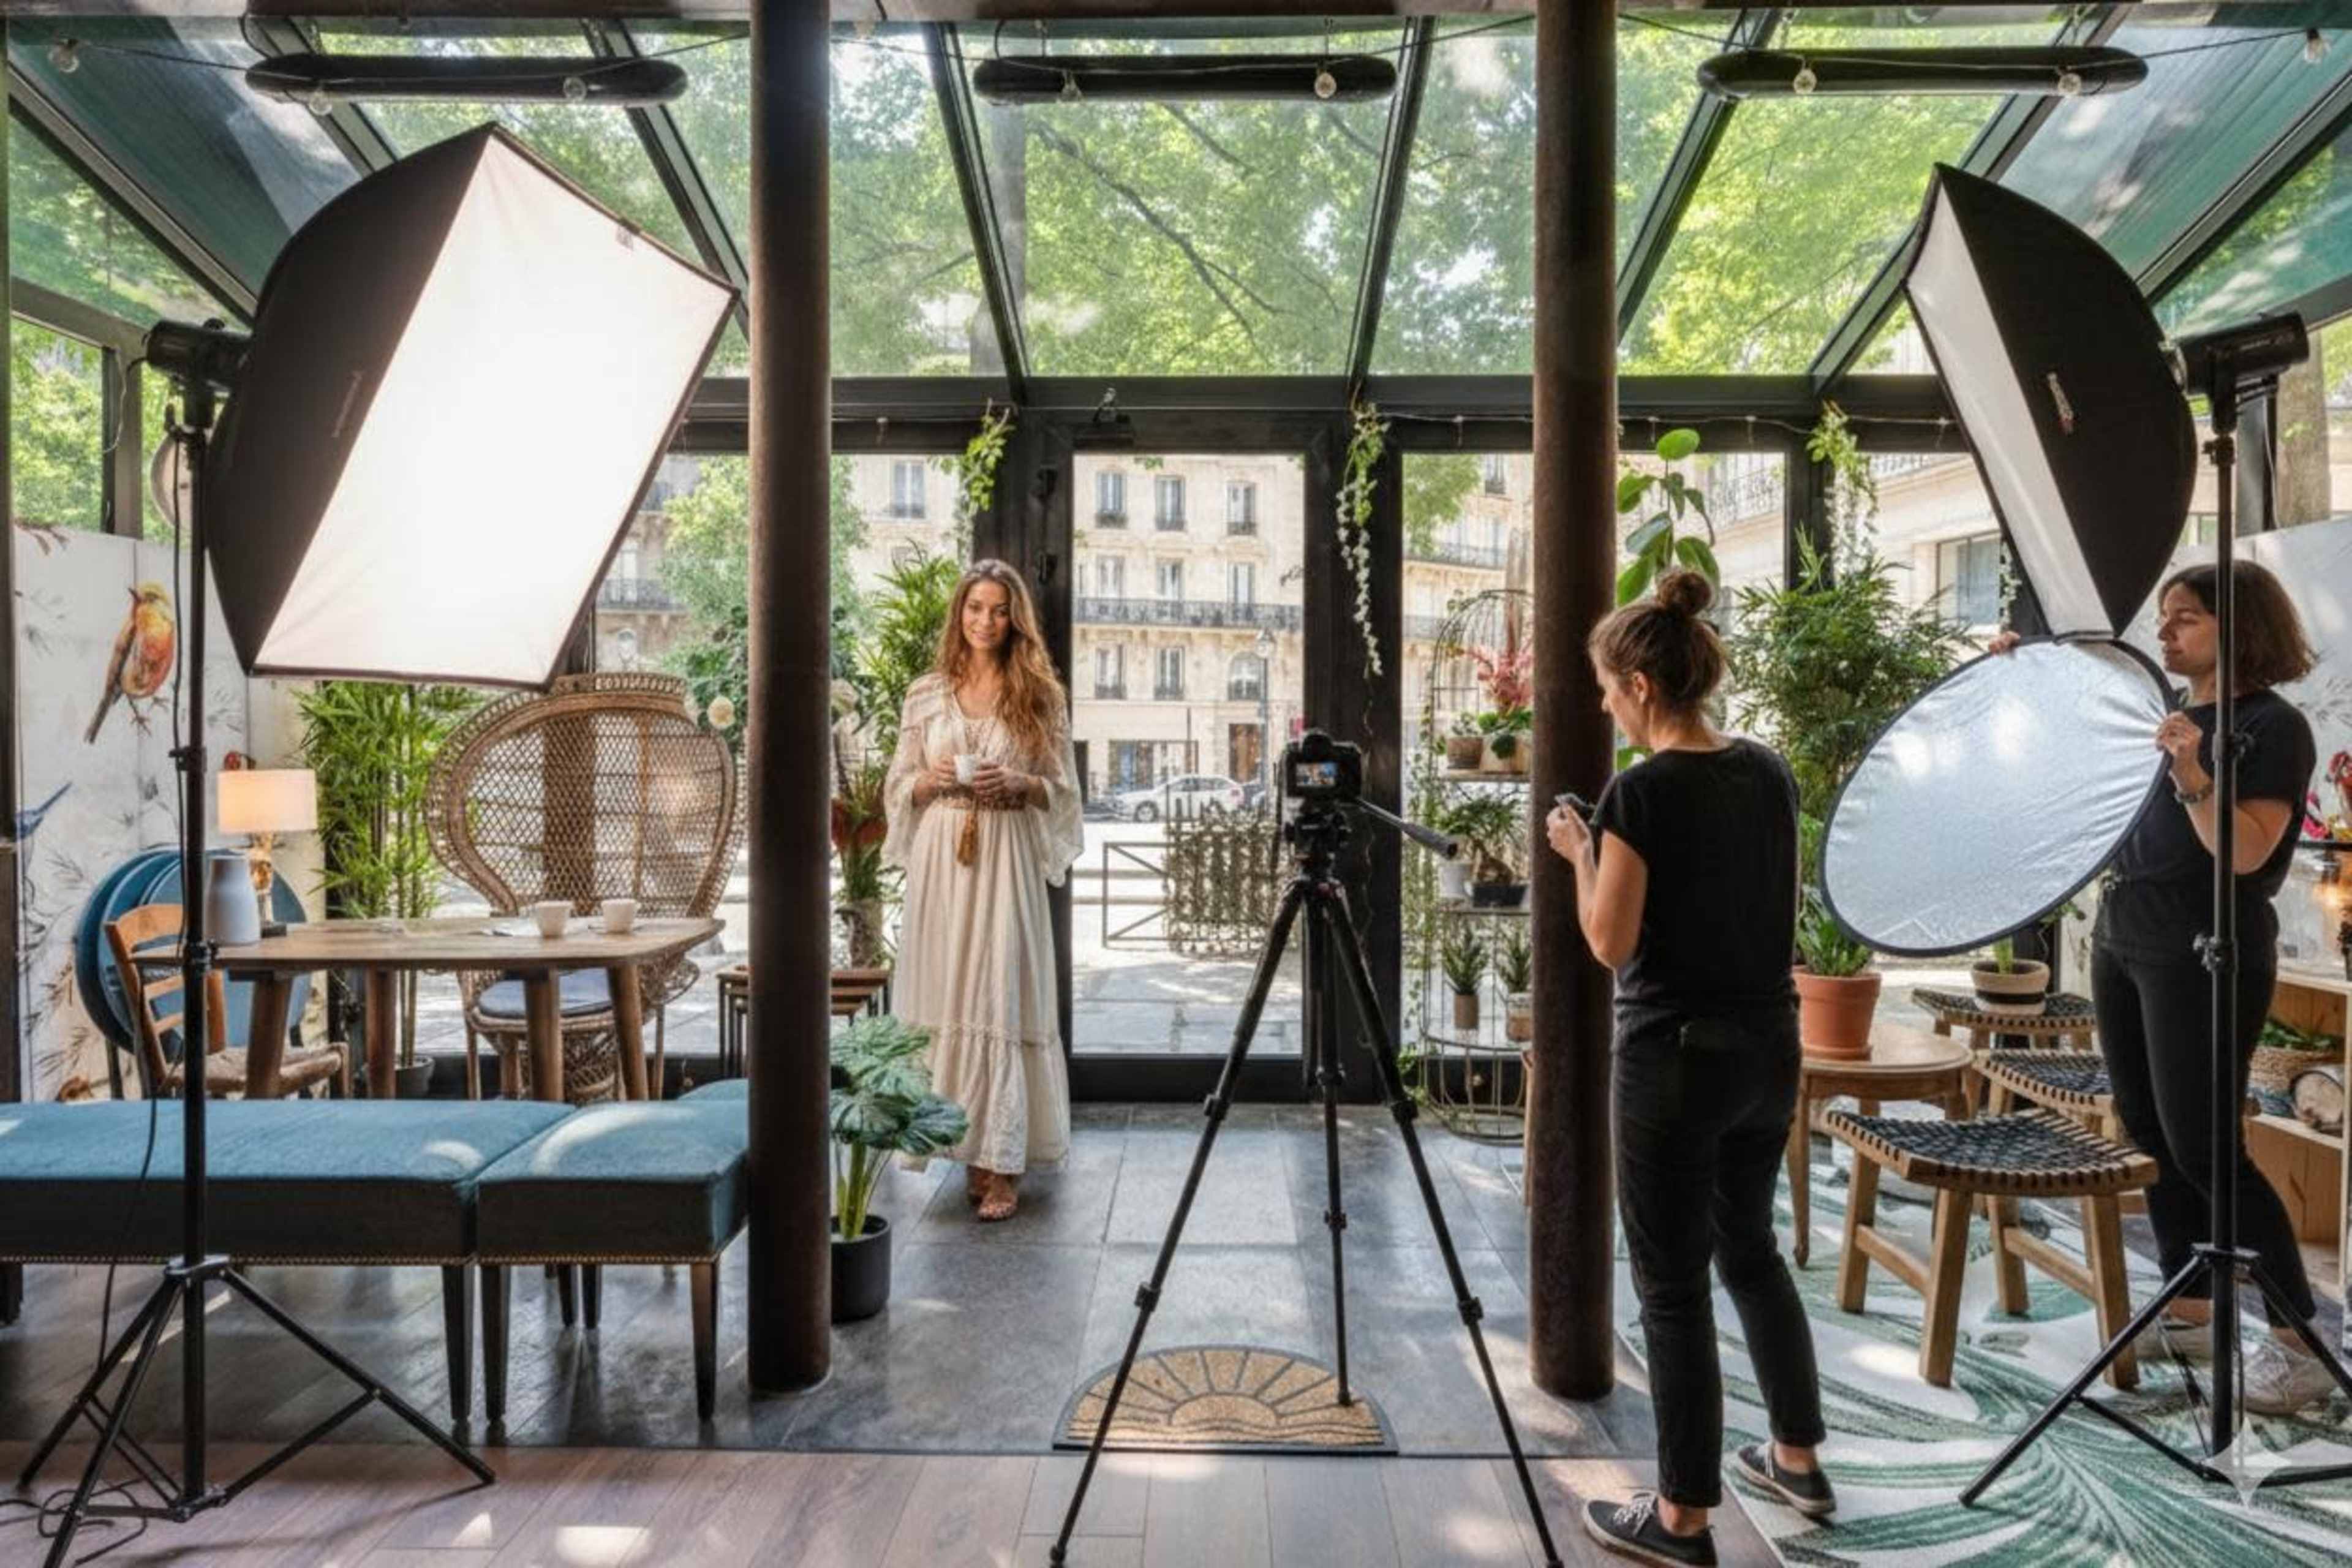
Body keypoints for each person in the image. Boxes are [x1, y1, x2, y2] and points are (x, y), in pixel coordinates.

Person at [1993, 560, 2328, 1412]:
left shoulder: (2272, 727)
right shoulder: (2167, 712)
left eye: (2185, 619)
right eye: (2166, 616)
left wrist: (2192, 775)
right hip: (2126, 936)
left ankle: (2303, 1345)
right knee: (2147, 1127)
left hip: (2206, 946)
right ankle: (2190, 1308)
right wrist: (2021, 679)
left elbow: (2244, 854)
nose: (2165, 632)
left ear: (2237, 627)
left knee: (2207, 1145)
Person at [1546, 571, 1830, 1568]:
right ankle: (1796, 1456)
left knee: (1670, 1289)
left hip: (1673, 1060)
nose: (1604, 706)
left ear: (1640, 686)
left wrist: (1581, 852)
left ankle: (1681, 1520)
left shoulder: (1641, 793)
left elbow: (1610, 942)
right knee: (1749, 1251)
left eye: (1606, 689)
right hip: (1770, 1047)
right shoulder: (1769, 772)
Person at [882, 560, 1082, 1221]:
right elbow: (898, 786)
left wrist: (1022, 784)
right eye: (975, 609)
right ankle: (968, 1149)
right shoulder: (925, 695)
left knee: (1001, 990)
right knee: (949, 992)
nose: (986, 621)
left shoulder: (1041, 696)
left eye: (999, 610)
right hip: (943, 860)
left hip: (1006, 855)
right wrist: (930, 780)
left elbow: (1064, 793)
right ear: (959, 614)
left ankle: (1002, 1162)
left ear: (1015, 618)